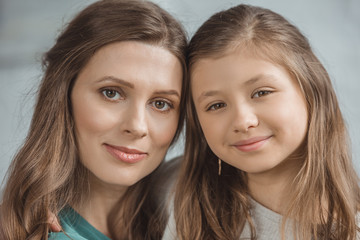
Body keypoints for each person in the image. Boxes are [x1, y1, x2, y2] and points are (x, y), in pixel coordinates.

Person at [168, 4, 360, 240]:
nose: (242, 121)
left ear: (311, 90)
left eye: (261, 93)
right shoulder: (173, 188)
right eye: (216, 105)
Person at [0, 0, 187, 239]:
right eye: (111, 93)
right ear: (63, 95)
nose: (137, 126)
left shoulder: (187, 216)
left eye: (161, 104)